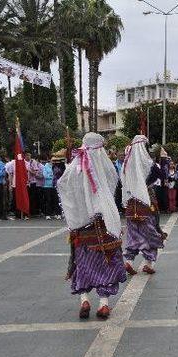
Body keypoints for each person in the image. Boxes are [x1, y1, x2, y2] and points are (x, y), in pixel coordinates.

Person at [57, 133, 127, 320]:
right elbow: (113, 183)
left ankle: (84, 300)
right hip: (103, 226)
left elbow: (62, 185)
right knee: (107, 265)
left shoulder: (74, 167)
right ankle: (103, 305)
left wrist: (77, 213)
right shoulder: (105, 166)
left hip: (81, 229)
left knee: (82, 265)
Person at [121, 135, 166, 275]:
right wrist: (163, 159)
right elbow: (163, 176)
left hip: (131, 203)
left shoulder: (127, 164)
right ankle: (148, 263)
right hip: (147, 203)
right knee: (151, 233)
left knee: (133, 234)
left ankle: (128, 262)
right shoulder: (148, 164)